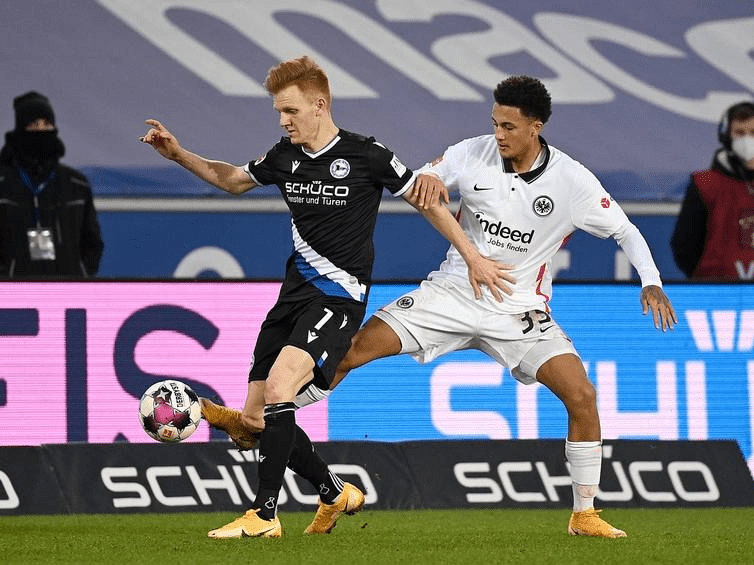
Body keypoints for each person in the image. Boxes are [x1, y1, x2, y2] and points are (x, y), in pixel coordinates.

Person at [214, 75, 678, 539]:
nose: (498, 134)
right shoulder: (472, 152)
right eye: (495, 123)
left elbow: (625, 230)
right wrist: (431, 179)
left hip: (517, 309)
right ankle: (266, 418)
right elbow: (423, 181)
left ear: (535, 127)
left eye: (509, 126)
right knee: (348, 352)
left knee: (582, 395)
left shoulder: (571, 180)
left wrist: (651, 281)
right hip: (451, 294)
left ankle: (585, 513)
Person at [140, 55, 511, 539]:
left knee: (279, 391)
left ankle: (264, 516)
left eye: (291, 110)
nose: (283, 120)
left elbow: (429, 204)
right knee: (256, 418)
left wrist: (473, 257)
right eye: (279, 112)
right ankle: (335, 493)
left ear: (319, 105)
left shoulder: (367, 154)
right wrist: (178, 154)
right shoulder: (284, 156)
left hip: (339, 298)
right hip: (292, 296)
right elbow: (231, 180)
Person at [0, 91, 104, 278]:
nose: (41, 131)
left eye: (47, 125)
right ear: (20, 129)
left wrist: (81, 274)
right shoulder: (3, 184)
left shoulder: (76, 184)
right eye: (34, 125)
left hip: (67, 287)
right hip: (12, 290)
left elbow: (92, 241)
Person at [671, 101, 754, 280]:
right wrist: (706, 283)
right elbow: (685, 246)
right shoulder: (705, 184)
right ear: (727, 137)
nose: (748, 140)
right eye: (740, 133)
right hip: (717, 291)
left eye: (753, 133)